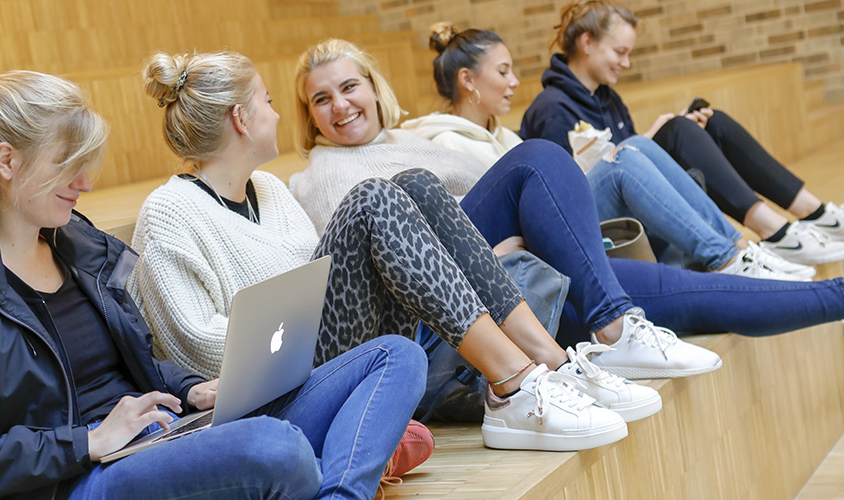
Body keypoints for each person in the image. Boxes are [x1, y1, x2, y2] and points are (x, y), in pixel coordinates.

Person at [0, 66, 428, 500]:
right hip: (82, 477)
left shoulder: (77, 245)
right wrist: (86, 442)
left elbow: (134, 359)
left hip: (160, 434)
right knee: (278, 449)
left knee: (398, 356)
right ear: (6, 161)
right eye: (68, 165)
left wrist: (188, 386)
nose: (87, 182)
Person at [129, 50, 658, 452]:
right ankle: (512, 386)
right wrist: (290, 323)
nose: (276, 114)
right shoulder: (168, 214)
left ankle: (547, 362)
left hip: (320, 349)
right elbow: (195, 351)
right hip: (272, 390)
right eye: (267, 102)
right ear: (241, 120)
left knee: (417, 184)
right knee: (373, 198)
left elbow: (321, 284)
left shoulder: (267, 191)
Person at [288, 37, 844, 357]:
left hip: (537, 272)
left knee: (698, 297)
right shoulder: (322, 175)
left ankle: (835, 292)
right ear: (308, 115)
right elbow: (383, 262)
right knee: (541, 158)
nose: (340, 106)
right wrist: (503, 246)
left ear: (373, 87)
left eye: (349, 87)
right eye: (321, 99)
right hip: (468, 307)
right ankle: (617, 320)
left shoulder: (412, 138)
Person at [402, 23, 813, 281]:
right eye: (503, 71)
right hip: (536, 244)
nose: (514, 82)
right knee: (627, 156)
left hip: (557, 222)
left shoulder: (505, 137)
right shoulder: (448, 143)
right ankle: (729, 256)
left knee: (639, 147)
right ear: (468, 80)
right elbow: (491, 226)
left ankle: (737, 251)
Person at [520, 0, 844, 266]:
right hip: (593, 224)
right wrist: (655, 135)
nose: (627, 63)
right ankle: (776, 233)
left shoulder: (608, 98)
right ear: (587, 43)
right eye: (620, 52)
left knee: (711, 122)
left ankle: (817, 215)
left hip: (633, 196)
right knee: (675, 131)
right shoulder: (552, 108)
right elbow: (570, 190)